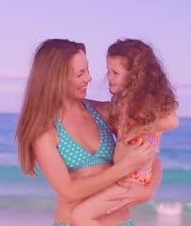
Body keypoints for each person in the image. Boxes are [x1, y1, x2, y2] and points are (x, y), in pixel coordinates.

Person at [15, 39, 162, 226]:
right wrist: (122, 169)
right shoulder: (45, 130)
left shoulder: (105, 112)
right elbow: (69, 191)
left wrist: (148, 190)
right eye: (80, 74)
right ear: (56, 78)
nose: (89, 78)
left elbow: (149, 155)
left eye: (87, 70)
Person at [71, 39, 179, 225]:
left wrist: (136, 129)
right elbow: (92, 106)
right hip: (127, 176)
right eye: (108, 70)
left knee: (81, 216)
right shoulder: (123, 104)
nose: (109, 77)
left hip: (133, 180)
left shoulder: (145, 105)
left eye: (115, 72)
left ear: (135, 76)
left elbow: (172, 120)